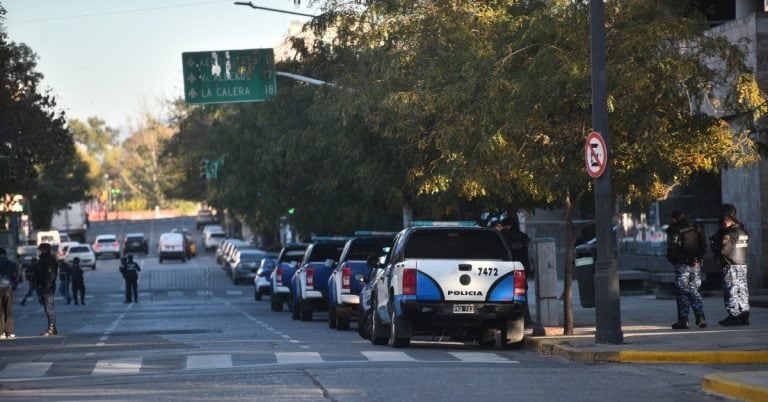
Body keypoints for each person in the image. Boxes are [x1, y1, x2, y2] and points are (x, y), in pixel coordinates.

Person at [665, 210, 707, 329]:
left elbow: (672, 250)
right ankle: (700, 317)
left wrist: (682, 260)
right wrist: (697, 258)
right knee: (694, 290)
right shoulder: (695, 228)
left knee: (682, 292)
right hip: (696, 264)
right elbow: (703, 246)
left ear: (674, 219)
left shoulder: (674, 230)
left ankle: (683, 321)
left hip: (682, 265)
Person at [710, 204, 751, 326]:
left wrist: (715, 246)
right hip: (742, 265)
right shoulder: (743, 230)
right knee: (742, 291)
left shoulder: (729, 233)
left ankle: (734, 316)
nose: (723, 221)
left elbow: (724, 251)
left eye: (724, 218)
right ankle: (744, 315)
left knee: (731, 291)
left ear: (728, 217)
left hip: (731, 265)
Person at [496, 214, 533, 325]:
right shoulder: (523, 236)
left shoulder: (505, 235)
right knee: (521, 293)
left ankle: (519, 318)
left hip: (509, 268)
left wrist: (500, 231)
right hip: (523, 267)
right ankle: (525, 318)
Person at [34, 243, 59, 336]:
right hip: (43, 286)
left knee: (49, 309)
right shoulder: (43, 259)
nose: (40, 251)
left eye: (42, 249)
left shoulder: (49, 260)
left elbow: (51, 275)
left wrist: (47, 286)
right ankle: (52, 328)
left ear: (46, 250)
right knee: (47, 308)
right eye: (40, 249)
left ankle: (51, 329)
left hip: (47, 287)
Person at [0, 248, 19, 339]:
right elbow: (16, 275)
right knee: (8, 309)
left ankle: (1, 332)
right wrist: (14, 284)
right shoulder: (11, 263)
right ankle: (9, 332)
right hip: (8, 287)